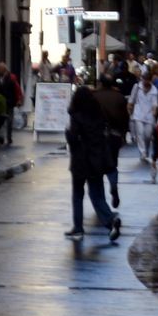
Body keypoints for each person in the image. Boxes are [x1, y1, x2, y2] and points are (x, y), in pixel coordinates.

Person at [65, 85, 121, 243]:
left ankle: (78, 227)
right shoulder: (99, 114)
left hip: (80, 162)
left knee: (77, 195)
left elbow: (73, 138)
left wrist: (68, 134)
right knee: (96, 195)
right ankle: (110, 221)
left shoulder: (76, 116)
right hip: (96, 160)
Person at [95, 69, 130, 206]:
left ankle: (100, 198)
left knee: (97, 167)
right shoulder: (119, 97)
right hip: (114, 135)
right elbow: (125, 118)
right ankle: (113, 186)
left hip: (97, 135)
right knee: (112, 164)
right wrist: (123, 134)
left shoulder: (95, 96)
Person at [130, 67, 158, 177]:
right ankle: (142, 152)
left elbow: (155, 105)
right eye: (144, 79)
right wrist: (130, 110)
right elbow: (132, 100)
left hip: (149, 116)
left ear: (150, 80)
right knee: (140, 133)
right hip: (138, 114)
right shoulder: (137, 87)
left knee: (147, 134)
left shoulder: (154, 90)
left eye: (148, 80)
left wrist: (154, 114)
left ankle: (145, 149)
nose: (146, 82)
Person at [0, 60, 22, 146]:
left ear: (4, 69)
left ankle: (9, 137)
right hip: (0, 103)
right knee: (1, 120)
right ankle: (1, 136)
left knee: (9, 121)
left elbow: (17, 89)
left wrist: (18, 99)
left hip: (9, 102)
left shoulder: (11, 78)